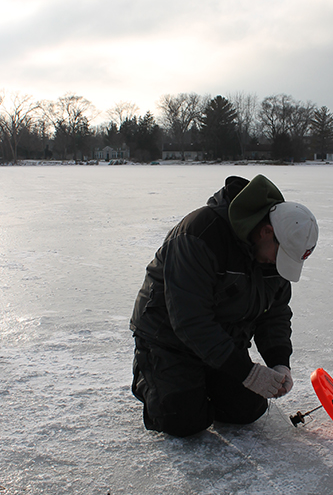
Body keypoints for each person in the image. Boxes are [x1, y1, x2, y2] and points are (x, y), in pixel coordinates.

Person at [130, 174, 318, 437]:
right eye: (281, 256)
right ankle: (152, 375)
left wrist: (279, 361)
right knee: (181, 419)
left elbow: (274, 313)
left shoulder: (271, 257)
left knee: (247, 410)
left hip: (223, 340)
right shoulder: (199, 234)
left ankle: (203, 381)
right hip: (169, 341)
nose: (280, 265)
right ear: (267, 232)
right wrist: (245, 372)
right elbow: (190, 321)